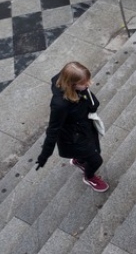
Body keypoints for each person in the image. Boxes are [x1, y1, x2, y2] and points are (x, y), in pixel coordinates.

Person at [35, 62, 109, 192]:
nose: (89, 84)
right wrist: (44, 155)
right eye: (84, 83)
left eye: (88, 80)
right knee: (96, 160)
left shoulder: (79, 90)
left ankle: (79, 161)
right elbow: (53, 130)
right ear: (71, 84)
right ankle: (89, 177)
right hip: (74, 137)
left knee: (94, 151)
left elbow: (91, 102)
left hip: (84, 128)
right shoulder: (59, 105)